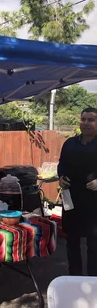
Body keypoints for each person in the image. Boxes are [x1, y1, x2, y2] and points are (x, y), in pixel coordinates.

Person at [58, 107, 97, 276]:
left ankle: (93, 282)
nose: (86, 123)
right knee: (72, 243)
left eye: (91, 119)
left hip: (94, 205)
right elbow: (62, 165)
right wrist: (61, 177)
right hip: (71, 200)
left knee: (94, 245)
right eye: (83, 119)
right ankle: (74, 280)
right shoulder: (69, 143)